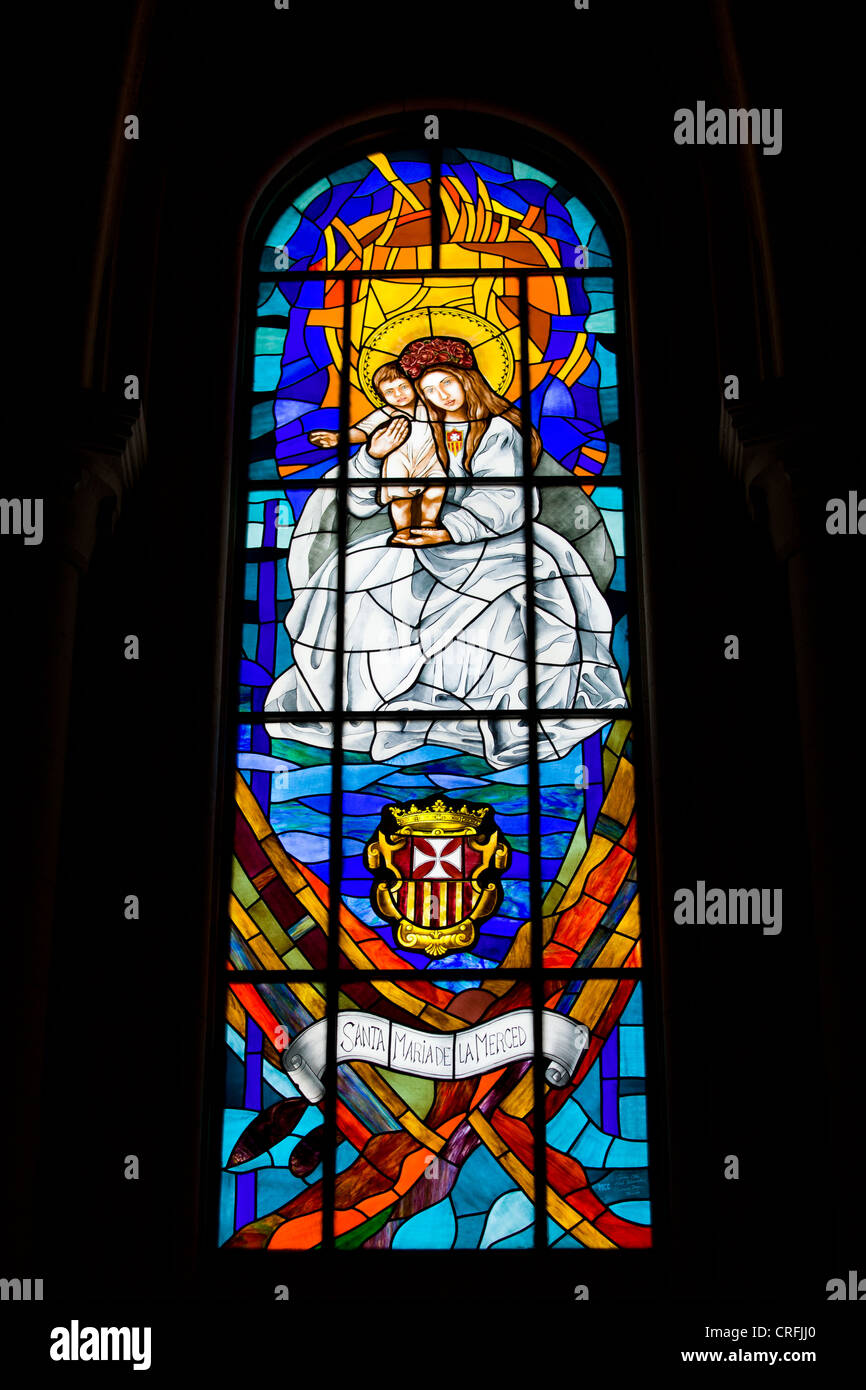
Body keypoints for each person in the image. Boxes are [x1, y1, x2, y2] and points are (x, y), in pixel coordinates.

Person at [265, 337, 626, 769]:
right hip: (415, 535)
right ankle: (377, 706)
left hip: (492, 539)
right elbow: (360, 502)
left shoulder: (496, 431)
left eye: (446, 385)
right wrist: (371, 455)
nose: (439, 397)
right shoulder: (413, 428)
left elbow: (507, 499)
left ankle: (482, 709)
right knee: (351, 581)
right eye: (429, 391)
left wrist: (449, 529)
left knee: (514, 601)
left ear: (468, 379)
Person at [308, 362, 446, 540]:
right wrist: (338, 438)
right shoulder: (386, 413)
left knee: (436, 490)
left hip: (430, 461)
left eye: (403, 386)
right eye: (389, 392)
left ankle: (428, 523)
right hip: (399, 465)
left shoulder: (431, 407)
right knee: (400, 499)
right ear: (381, 396)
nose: (398, 394)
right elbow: (362, 431)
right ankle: (402, 531)